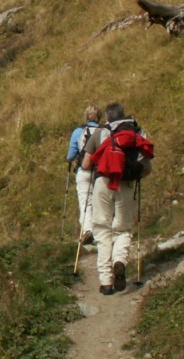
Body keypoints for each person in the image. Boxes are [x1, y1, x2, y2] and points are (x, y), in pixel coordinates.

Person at [81, 102, 154, 295]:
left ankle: (106, 282)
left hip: (103, 182)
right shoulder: (137, 133)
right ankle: (119, 261)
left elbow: (86, 164)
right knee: (123, 228)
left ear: (106, 117)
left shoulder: (101, 133)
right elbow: (146, 167)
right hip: (126, 185)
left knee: (102, 229)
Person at [66, 104, 102, 246]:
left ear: (86, 116)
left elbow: (71, 155)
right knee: (99, 201)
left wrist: (69, 160)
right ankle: (101, 231)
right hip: (100, 171)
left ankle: (88, 230)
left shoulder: (78, 132)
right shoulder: (104, 131)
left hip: (83, 170)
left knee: (85, 202)